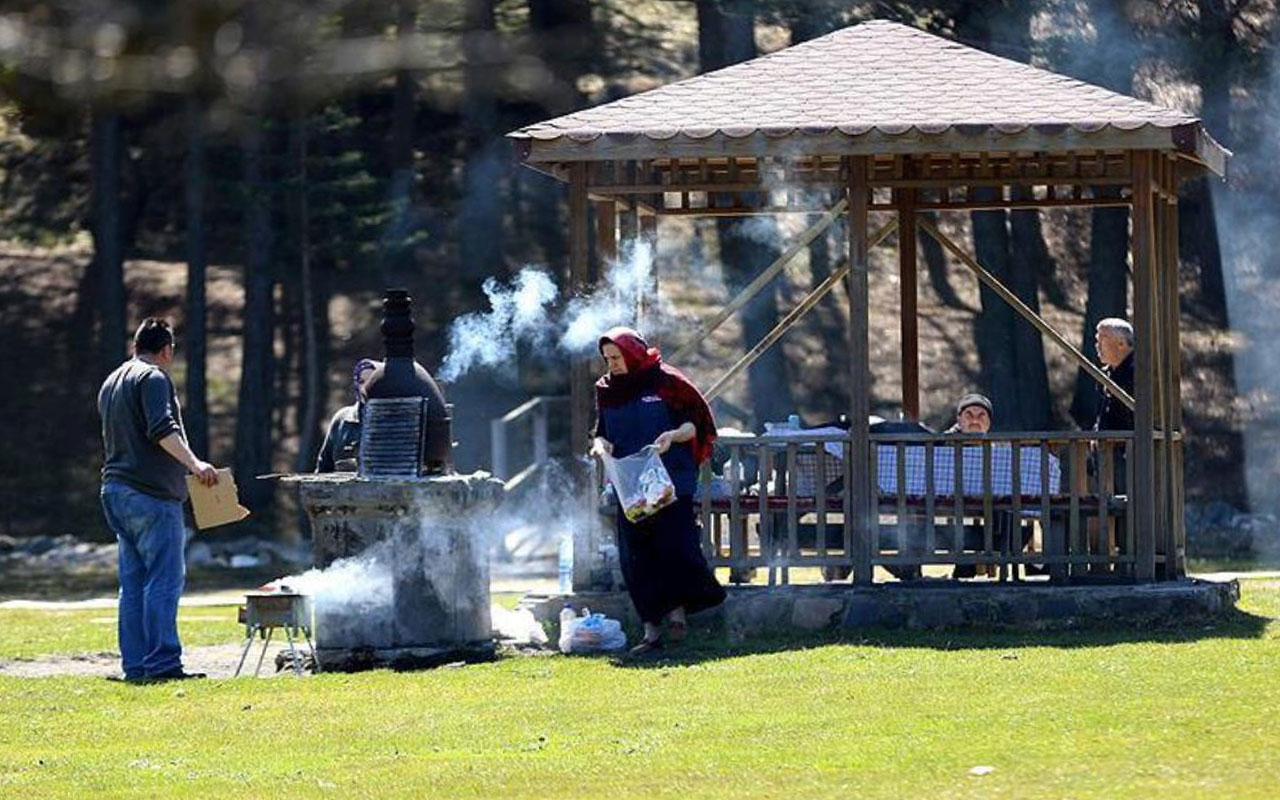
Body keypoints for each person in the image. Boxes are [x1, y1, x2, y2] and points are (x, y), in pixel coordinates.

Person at [98, 318, 219, 682]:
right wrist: (196, 464)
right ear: (166, 350)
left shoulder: (112, 381)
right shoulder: (152, 378)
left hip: (115, 491)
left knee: (133, 584)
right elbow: (161, 429)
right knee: (164, 580)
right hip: (150, 494)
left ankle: (136, 666)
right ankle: (163, 664)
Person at [591, 326, 725, 655]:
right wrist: (600, 446)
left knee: (675, 547)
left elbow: (696, 423)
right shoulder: (606, 389)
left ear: (632, 353)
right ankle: (651, 630)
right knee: (635, 557)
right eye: (607, 359)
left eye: (617, 358)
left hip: (670, 478)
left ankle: (681, 615)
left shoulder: (666, 380)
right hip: (631, 483)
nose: (612, 365)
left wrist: (672, 437)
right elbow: (600, 432)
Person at [316, 358, 380, 473]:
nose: (365, 387)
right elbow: (324, 467)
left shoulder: (395, 419)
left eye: (372, 381)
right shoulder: (342, 419)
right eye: (361, 381)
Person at [1093, 318, 1135, 433]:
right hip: (1108, 446)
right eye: (1097, 340)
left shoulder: (1138, 373)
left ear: (1121, 343)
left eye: (1103, 340)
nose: (1098, 346)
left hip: (1133, 445)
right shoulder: (1105, 375)